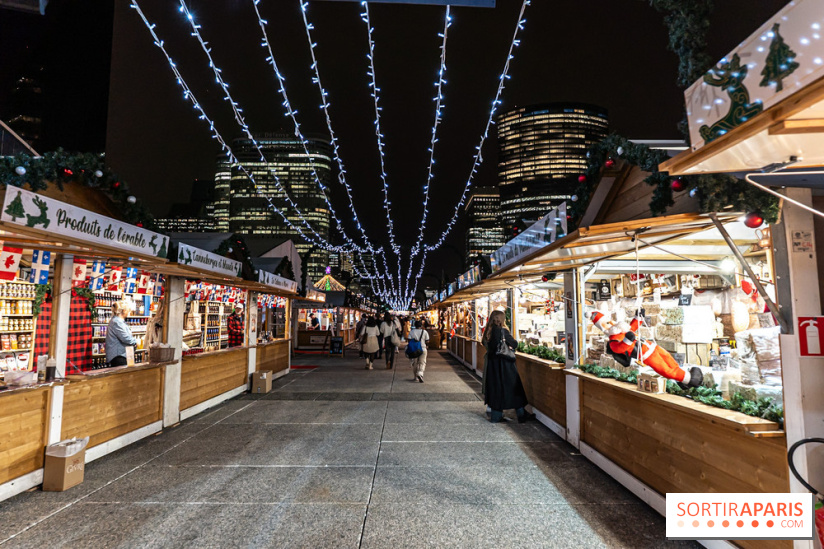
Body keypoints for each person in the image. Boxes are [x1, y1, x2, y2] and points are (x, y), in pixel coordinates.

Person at [482, 310, 533, 423]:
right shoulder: (503, 331)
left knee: (496, 390)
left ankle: (496, 416)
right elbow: (514, 344)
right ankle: (521, 414)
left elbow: (485, 344)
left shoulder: (487, 332)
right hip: (505, 365)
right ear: (502, 319)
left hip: (492, 366)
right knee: (515, 389)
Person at [106, 299, 138, 368]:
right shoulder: (117, 322)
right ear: (123, 311)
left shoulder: (118, 321)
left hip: (122, 355)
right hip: (119, 356)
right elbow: (125, 338)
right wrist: (135, 341)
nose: (129, 312)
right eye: (128, 310)